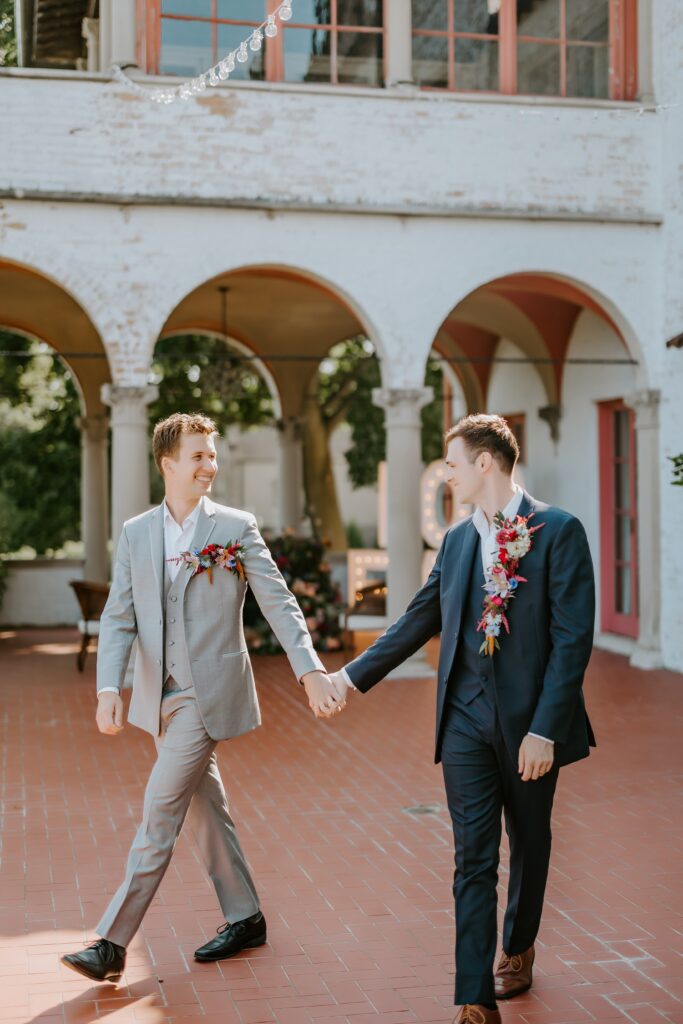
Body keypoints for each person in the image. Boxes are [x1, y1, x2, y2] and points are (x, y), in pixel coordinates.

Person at [327, 413, 596, 1024]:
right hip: (464, 724)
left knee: (530, 841)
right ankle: (473, 997)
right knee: (472, 857)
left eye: (450, 463)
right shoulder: (454, 542)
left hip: (532, 728)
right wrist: (347, 678)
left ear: (484, 462)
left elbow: (572, 640)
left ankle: (519, 946)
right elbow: (418, 619)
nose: (445, 474)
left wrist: (545, 730)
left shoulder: (558, 530)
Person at [61, 413, 341, 983]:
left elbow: (280, 603)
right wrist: (108, 687)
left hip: (207, 694)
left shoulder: (235, 528)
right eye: (198, 456)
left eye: (212, 455)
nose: (210, 465)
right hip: (158, 700)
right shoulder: (138, 532)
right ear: (168, 463)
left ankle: (112, 942)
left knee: (160, 807)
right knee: (203, 808)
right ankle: (247, 917)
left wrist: (309, 669)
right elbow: (118, 616)